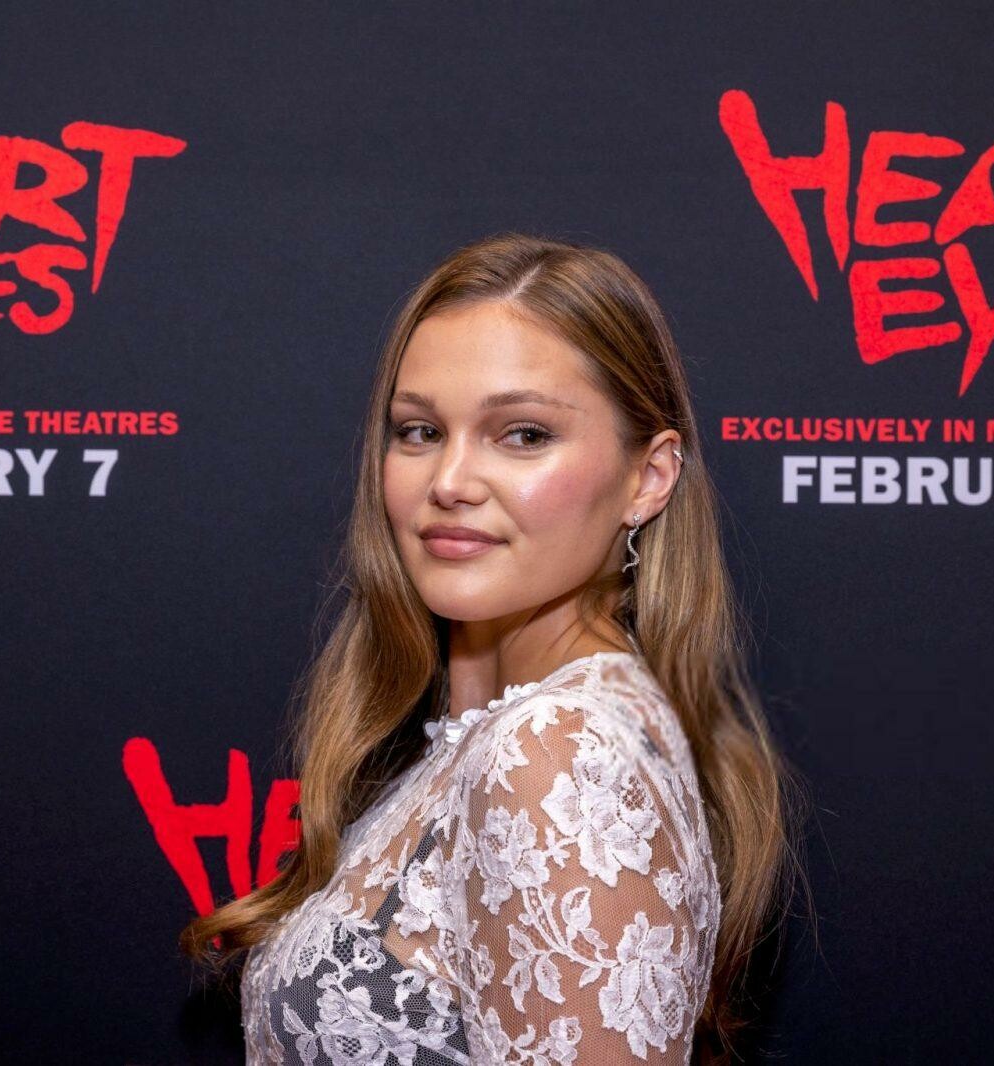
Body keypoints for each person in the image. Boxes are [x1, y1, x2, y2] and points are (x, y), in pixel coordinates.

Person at [182, 233, 801, 1064]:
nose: (449, 482)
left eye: (524, 435)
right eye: (419, 431)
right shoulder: (503, 733)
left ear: (648, 478)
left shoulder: (556, 748)